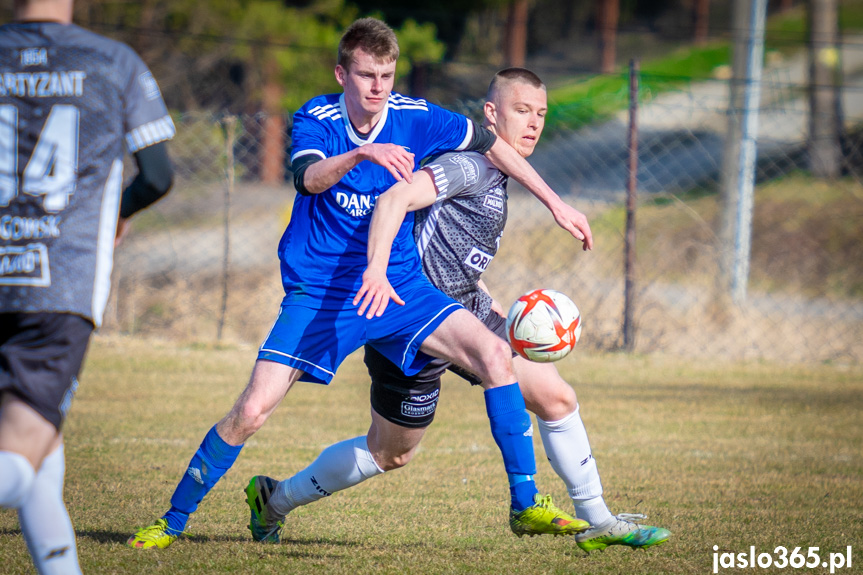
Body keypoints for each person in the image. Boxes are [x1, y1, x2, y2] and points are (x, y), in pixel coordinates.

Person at [127, 17, 593, 550]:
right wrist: (362, 154)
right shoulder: (317, 118)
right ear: (342, 74)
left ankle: (526, 503)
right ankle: (172, 521)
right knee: (252, 410)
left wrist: (556, 204)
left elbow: (493, 146)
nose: (378, 88)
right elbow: (306, 178)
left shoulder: (415, 116)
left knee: (493, 353)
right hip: (323, 293)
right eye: (368, 75)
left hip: (400, 288)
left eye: (388, 76)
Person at [253, 68, 670, 552]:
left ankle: (596, 519)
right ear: (491, 115)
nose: (533, 124)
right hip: (411, 320)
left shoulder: (498, 174)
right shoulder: (468, 166)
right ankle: (275, 500)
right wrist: (379, 271)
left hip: (466, 311)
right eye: (521, 111)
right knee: (390, 453)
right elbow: (398, 198)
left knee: (556, 398)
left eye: (540, 114)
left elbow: (451, 248)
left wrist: (486, 296)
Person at [0, 1, 176, 573]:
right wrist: (118, 213)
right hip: (58, 286)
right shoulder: (113, 61)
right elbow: (156, 176)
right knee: (20, 456)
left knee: (44, 459)